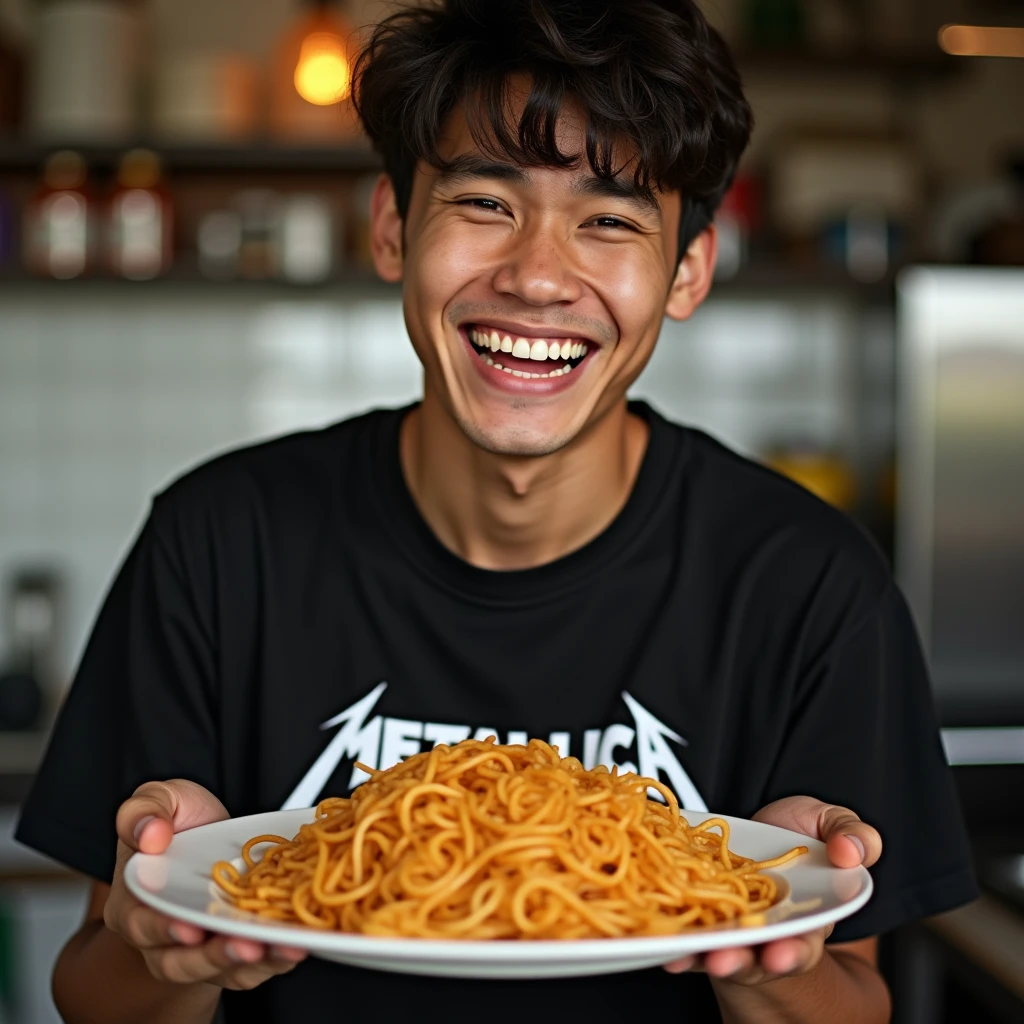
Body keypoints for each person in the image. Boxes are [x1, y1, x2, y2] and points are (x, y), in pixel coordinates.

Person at [17, 1, 976, 1021]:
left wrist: (769, 944)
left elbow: (856, 1002)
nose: (534, 277)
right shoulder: (215, 544)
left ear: (687, 271)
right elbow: (91, 992)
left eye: (609, 219)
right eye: (483, 202)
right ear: (392, 228)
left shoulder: (811, 583)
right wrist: (175, 942)